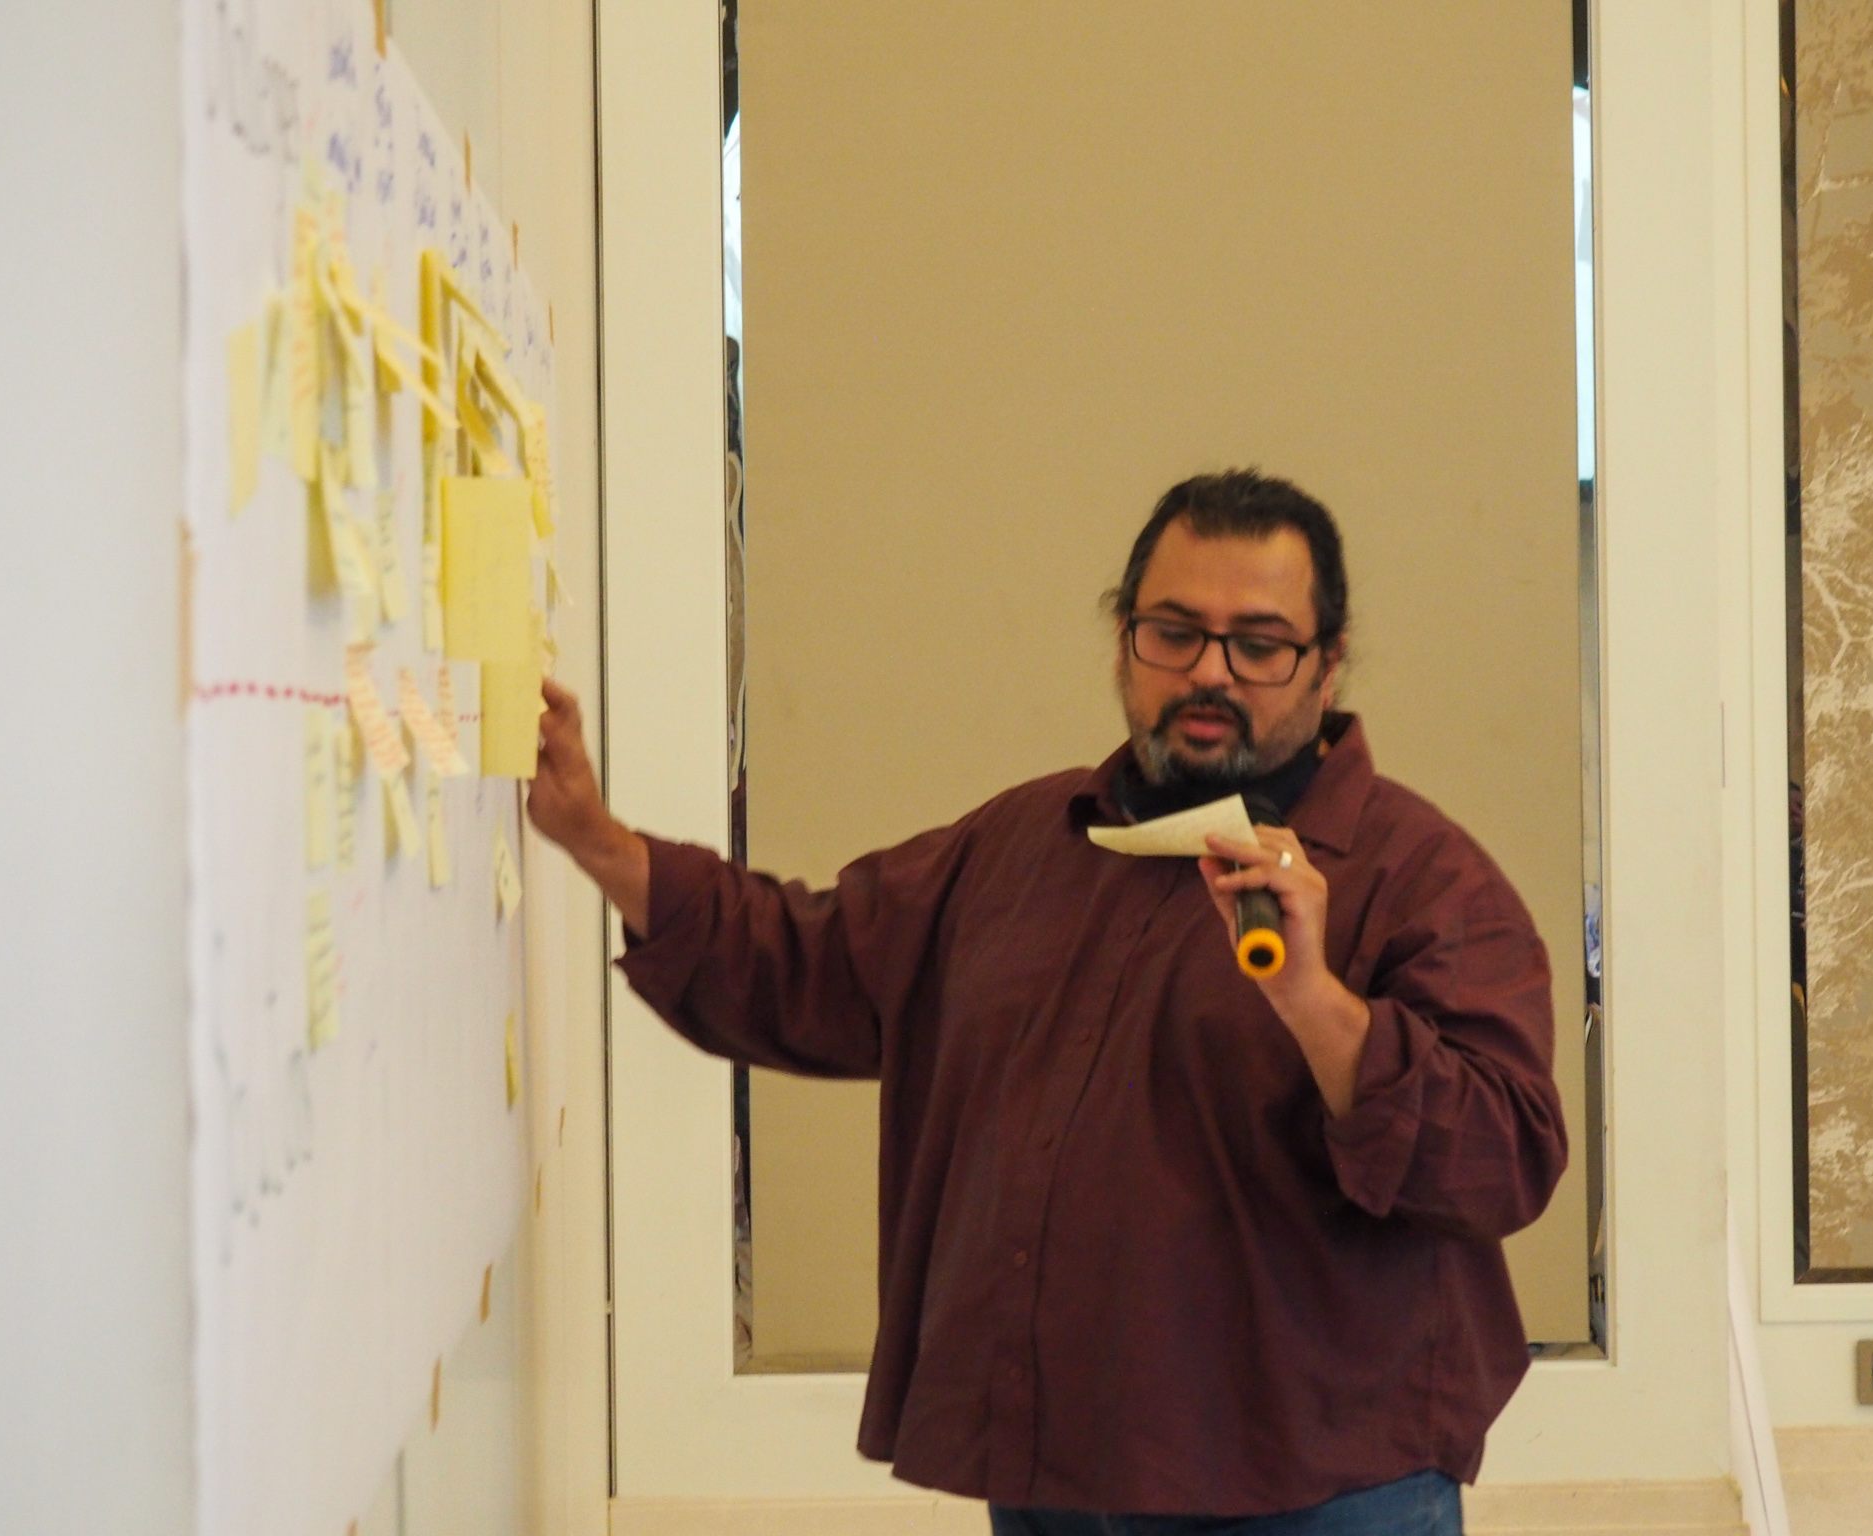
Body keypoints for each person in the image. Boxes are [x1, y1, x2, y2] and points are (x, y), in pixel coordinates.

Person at [529, 469, 1567, 1536]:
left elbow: (1502, 1158)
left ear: (1326, 664)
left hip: (1315, 1492)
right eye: (1175, 631)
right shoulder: (1025, 846)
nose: (1211, 673)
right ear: (1124, 640)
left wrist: (1312, 999)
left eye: (1258, 644)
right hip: (1055, 1471)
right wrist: (595, 841)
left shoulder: (1420, 878)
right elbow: (810, 963)